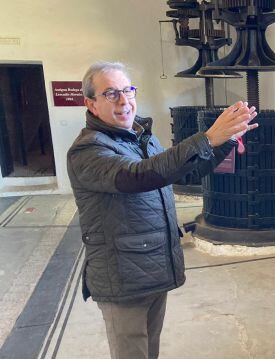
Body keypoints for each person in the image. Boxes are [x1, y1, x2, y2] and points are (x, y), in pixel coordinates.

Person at [67, 61, 257, 359]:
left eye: (128, 90)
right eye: (111, 93)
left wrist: (225, 140)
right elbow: (139, 175)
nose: (124, 100)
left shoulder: (142, 138)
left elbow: (181, 172)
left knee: (149, 351)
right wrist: (207, 138)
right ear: (90, 104)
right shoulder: (88, 151)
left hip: (153, 266)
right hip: (123, 278)